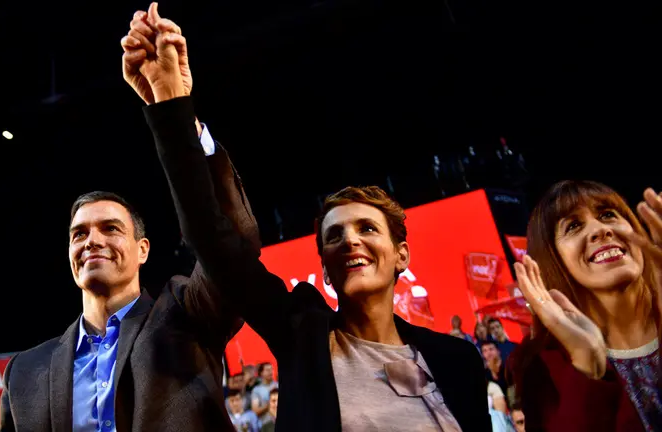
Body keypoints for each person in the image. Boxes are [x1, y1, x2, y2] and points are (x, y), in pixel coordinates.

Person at [137, 6, 491, 430]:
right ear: (324, 267)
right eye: (334, 235)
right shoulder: (301, 334)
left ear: (402, 254)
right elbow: (212, 238)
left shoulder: (457, 361)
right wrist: (174, 105)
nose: (351, 240)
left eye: (367, 228)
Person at [0, 6, 261, 431]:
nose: (92, 240)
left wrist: (175, 110)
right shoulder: (24, 372)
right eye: (79, 233)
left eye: (110, 228)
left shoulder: (189, 318)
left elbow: (231, 246)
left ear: (143, 250)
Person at [512, 180, 662, 431]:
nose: (600, 230)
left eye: (607, 215)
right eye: (573, 226)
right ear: (553, 258)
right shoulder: (542, 368)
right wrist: (586, 365)